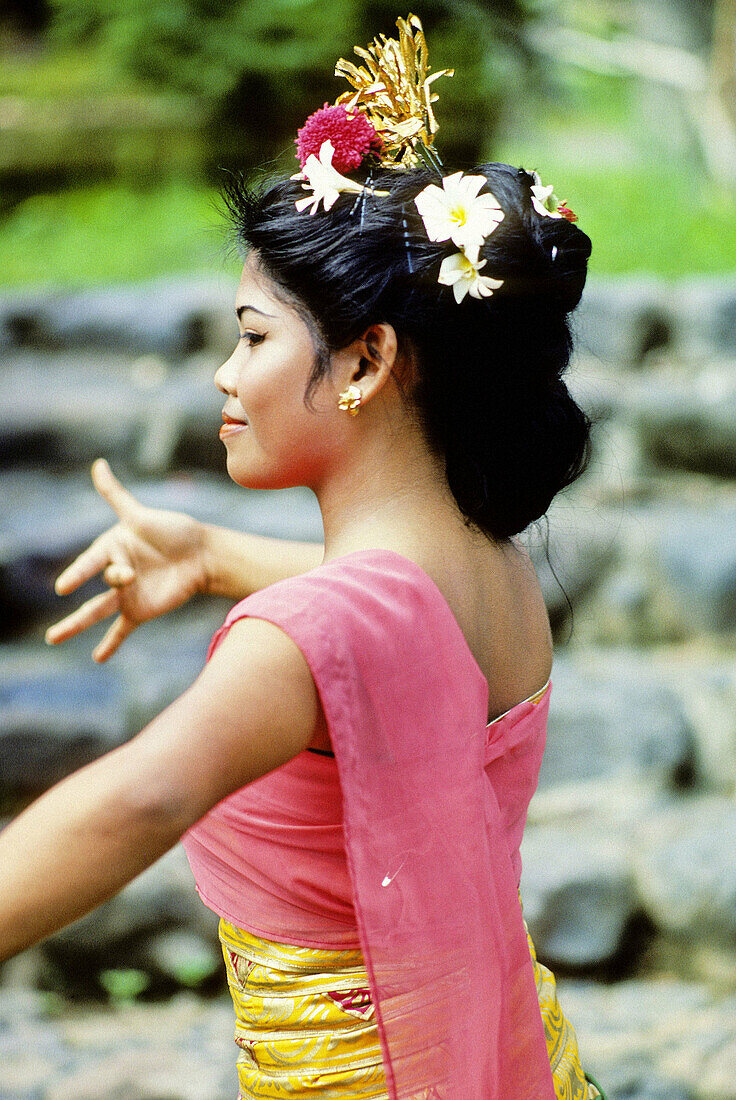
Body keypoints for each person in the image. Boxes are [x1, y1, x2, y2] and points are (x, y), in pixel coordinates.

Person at [0, 15, 606, 1100]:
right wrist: (210, 549)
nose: (227, 377)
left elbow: (135, 801)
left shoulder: (314, 638)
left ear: (368, 359)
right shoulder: (498, 572)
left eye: (253, 335)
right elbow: (380, 627)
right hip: (527, 1058)